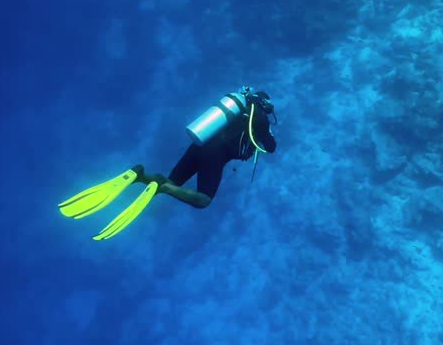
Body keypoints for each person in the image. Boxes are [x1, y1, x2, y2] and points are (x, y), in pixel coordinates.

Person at [58, 86, 278, 240]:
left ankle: (138, 175)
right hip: (215, 156)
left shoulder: (236, 109)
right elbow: (271, 147)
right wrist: (266, 128)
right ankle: (163, 188)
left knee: (173, 180)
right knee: (202, 200)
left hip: (198, 146)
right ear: (265, 104)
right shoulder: (259, 120)